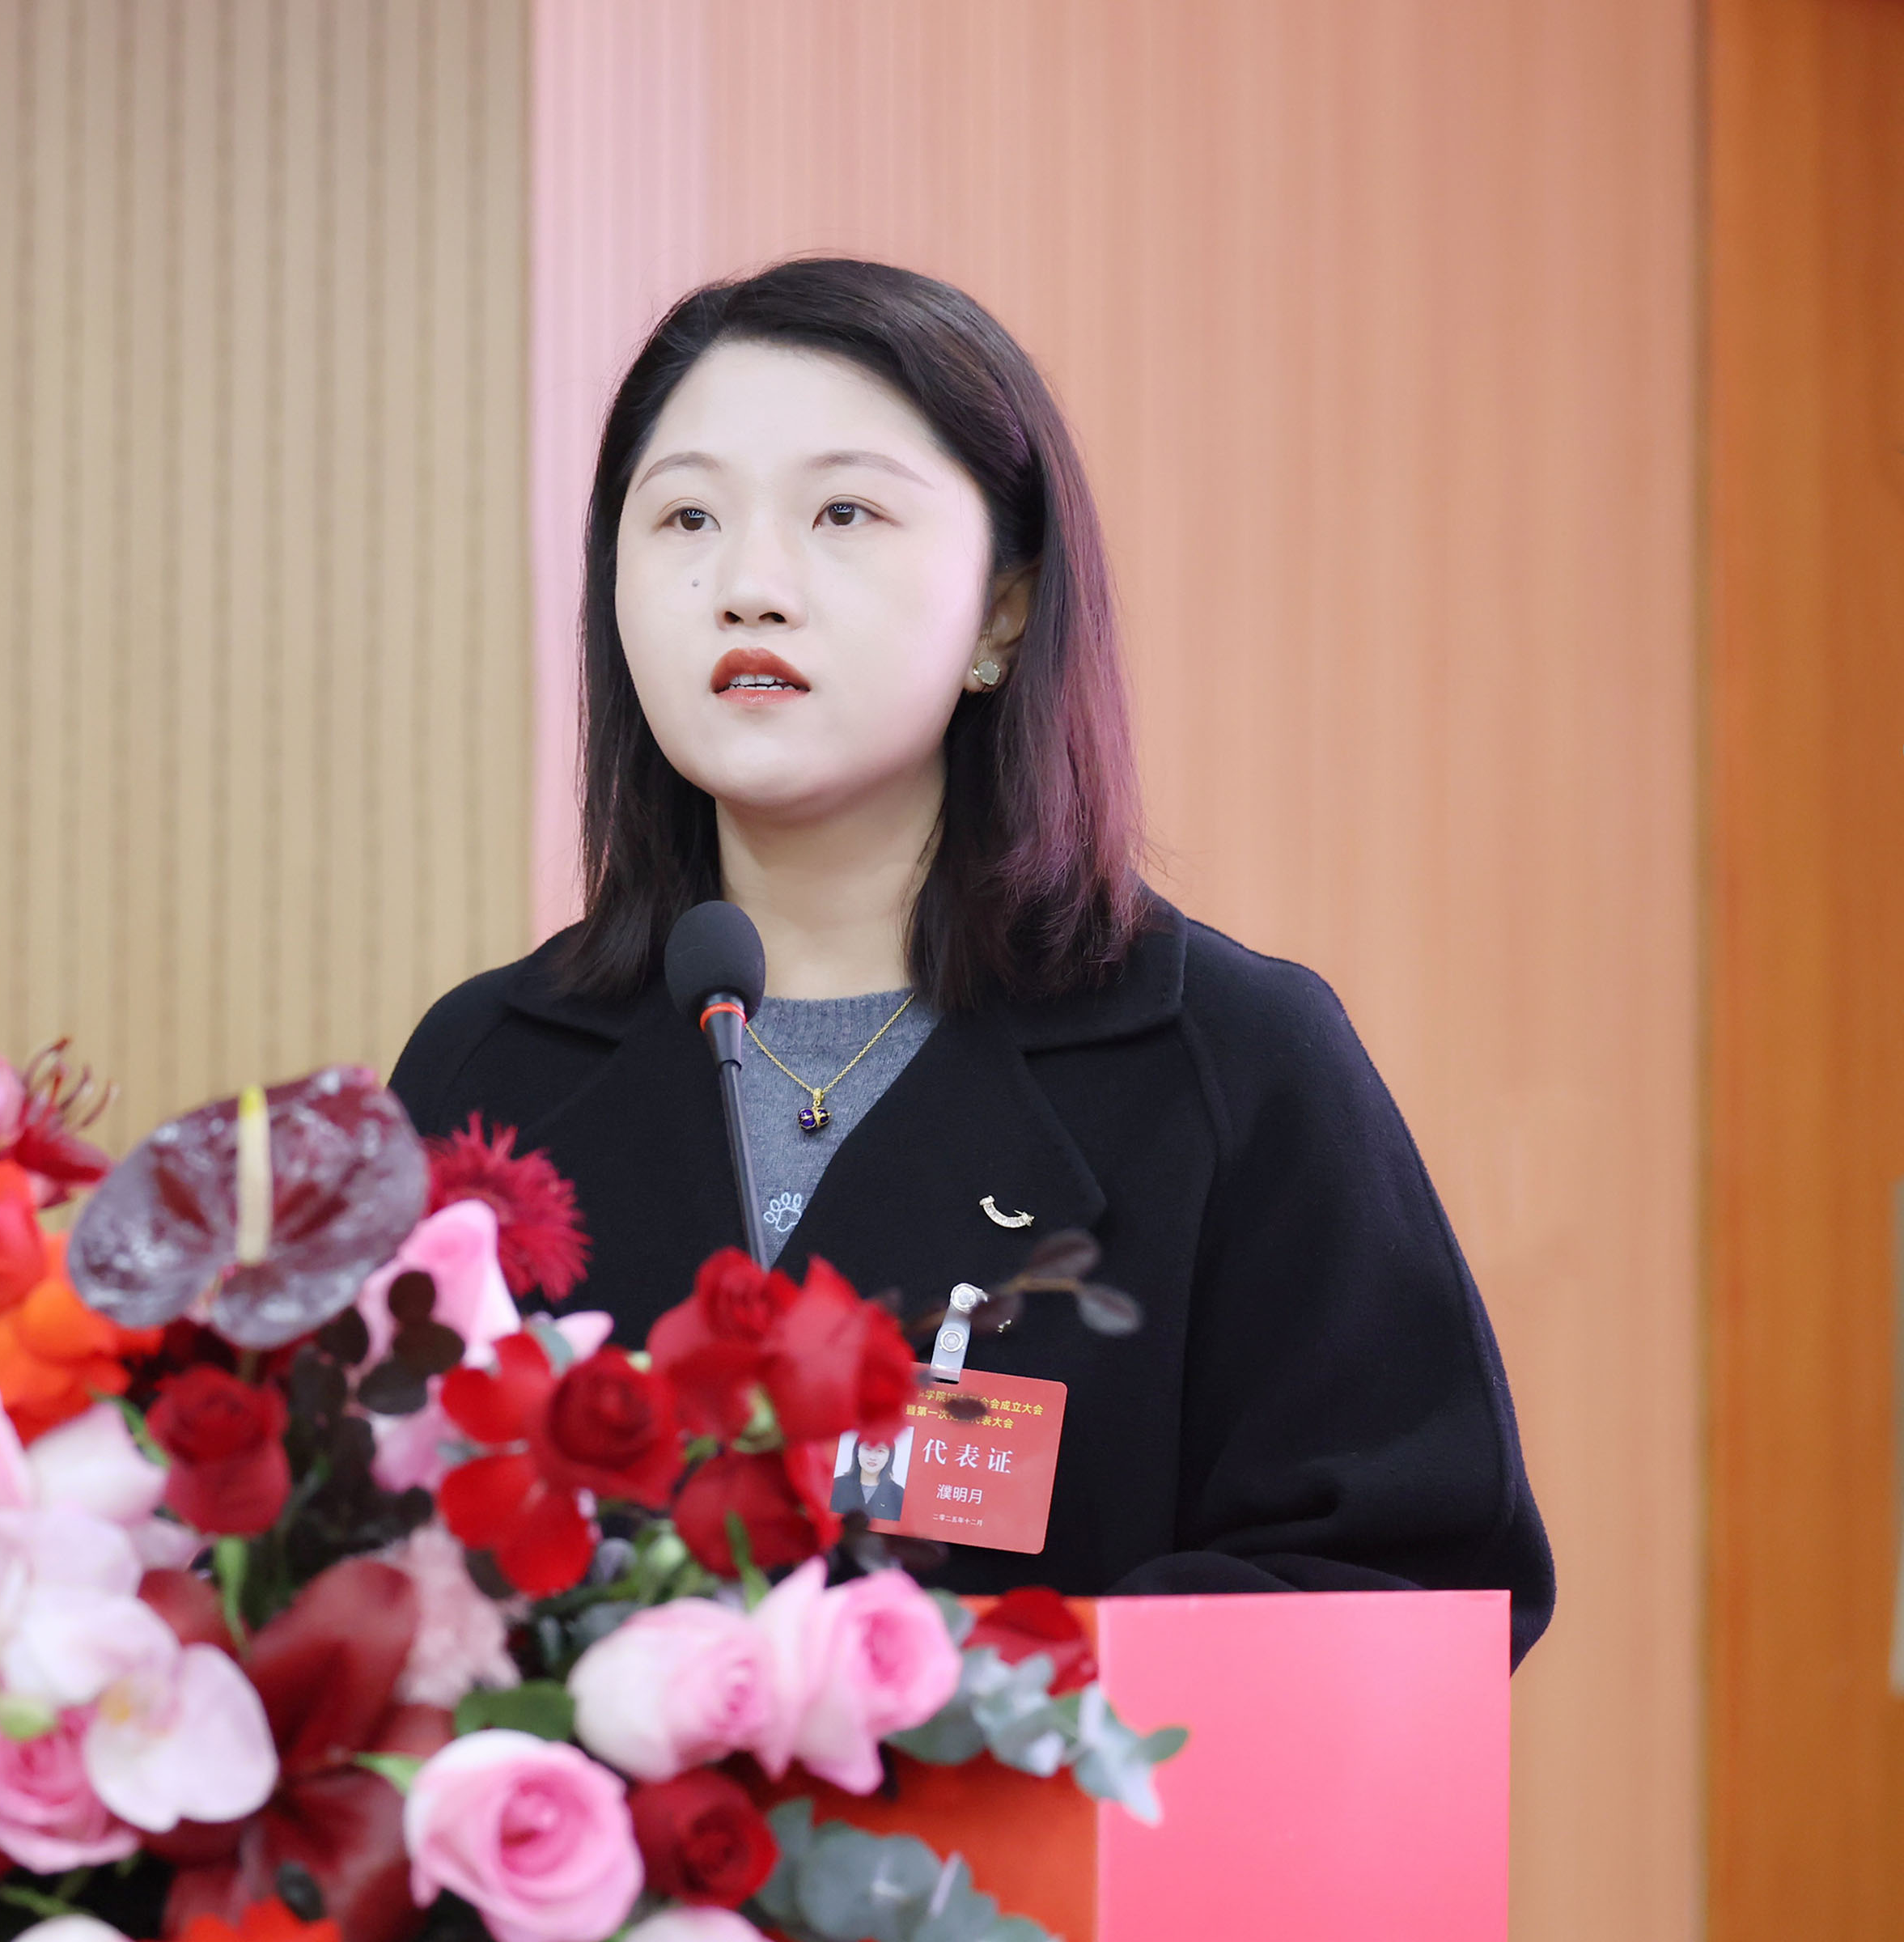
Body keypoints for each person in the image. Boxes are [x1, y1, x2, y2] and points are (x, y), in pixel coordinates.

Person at [389, 259, 1554, 1664]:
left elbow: (1408, 1584)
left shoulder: (1230, 1062)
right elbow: (369, 1550)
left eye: (844, 513)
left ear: (1005, 608)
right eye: (687, 516)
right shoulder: (490, 1066)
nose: (749, 585)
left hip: (1054, 1812)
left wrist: (964, 1701)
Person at [832, 1435, 910, 1523]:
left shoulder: (898, 1494)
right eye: (867, 1449)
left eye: (880, 1451)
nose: (872, 1457)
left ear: (889, 1456)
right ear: (857, 1452)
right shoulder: (836, 1486)